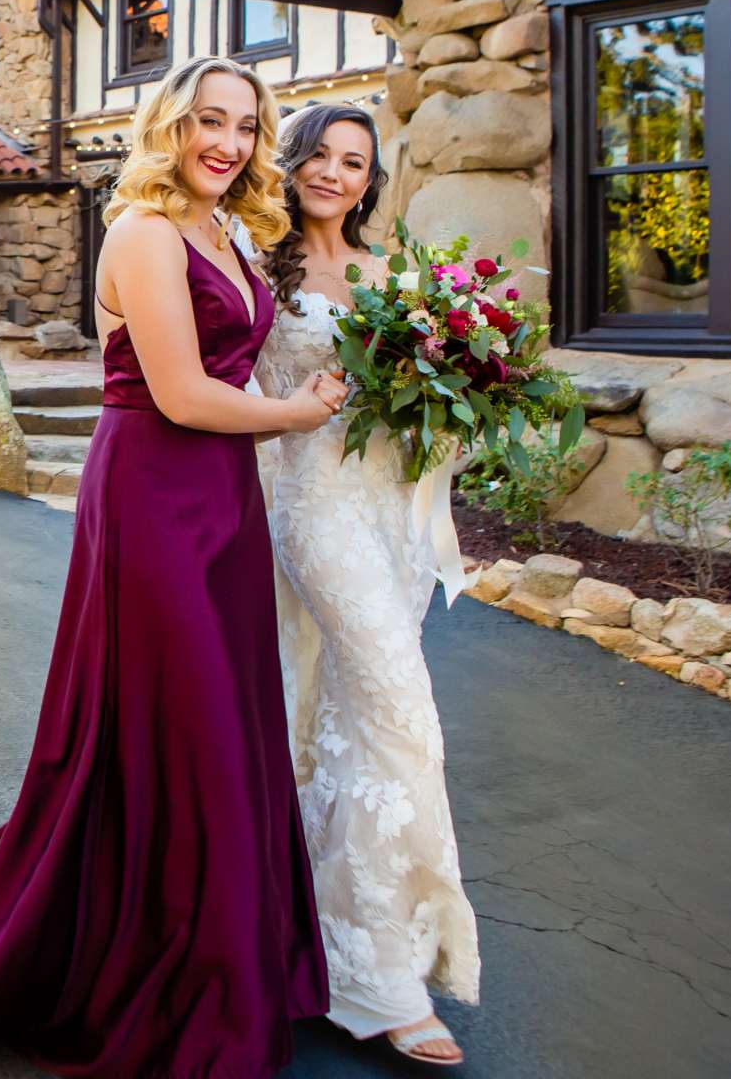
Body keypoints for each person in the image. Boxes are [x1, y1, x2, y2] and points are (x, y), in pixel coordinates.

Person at [0, 56, 344, 1077]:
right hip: (156, 494)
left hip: (222, 502)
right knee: (183, 724)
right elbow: (182, 394)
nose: (227, 142)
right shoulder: (141, 231)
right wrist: (296, 415)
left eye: (246, 128)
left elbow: (243, 361)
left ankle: (230, 970)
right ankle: (169, 982)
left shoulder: (229, 235)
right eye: (209, 121)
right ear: (170, 125)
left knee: (221, 719)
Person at [258, 104, 479, 1068]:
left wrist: (470, 389)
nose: (335, 173)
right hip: (310, 506)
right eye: (320, 154)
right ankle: (383, 983)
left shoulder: (395, 274)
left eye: (356, 162)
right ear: (292, 159)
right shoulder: (254, 266)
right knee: (401, 708)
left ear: (369, 178)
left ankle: (311, 936)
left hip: (391, 512)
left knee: (340, 716)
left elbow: (420, 401)